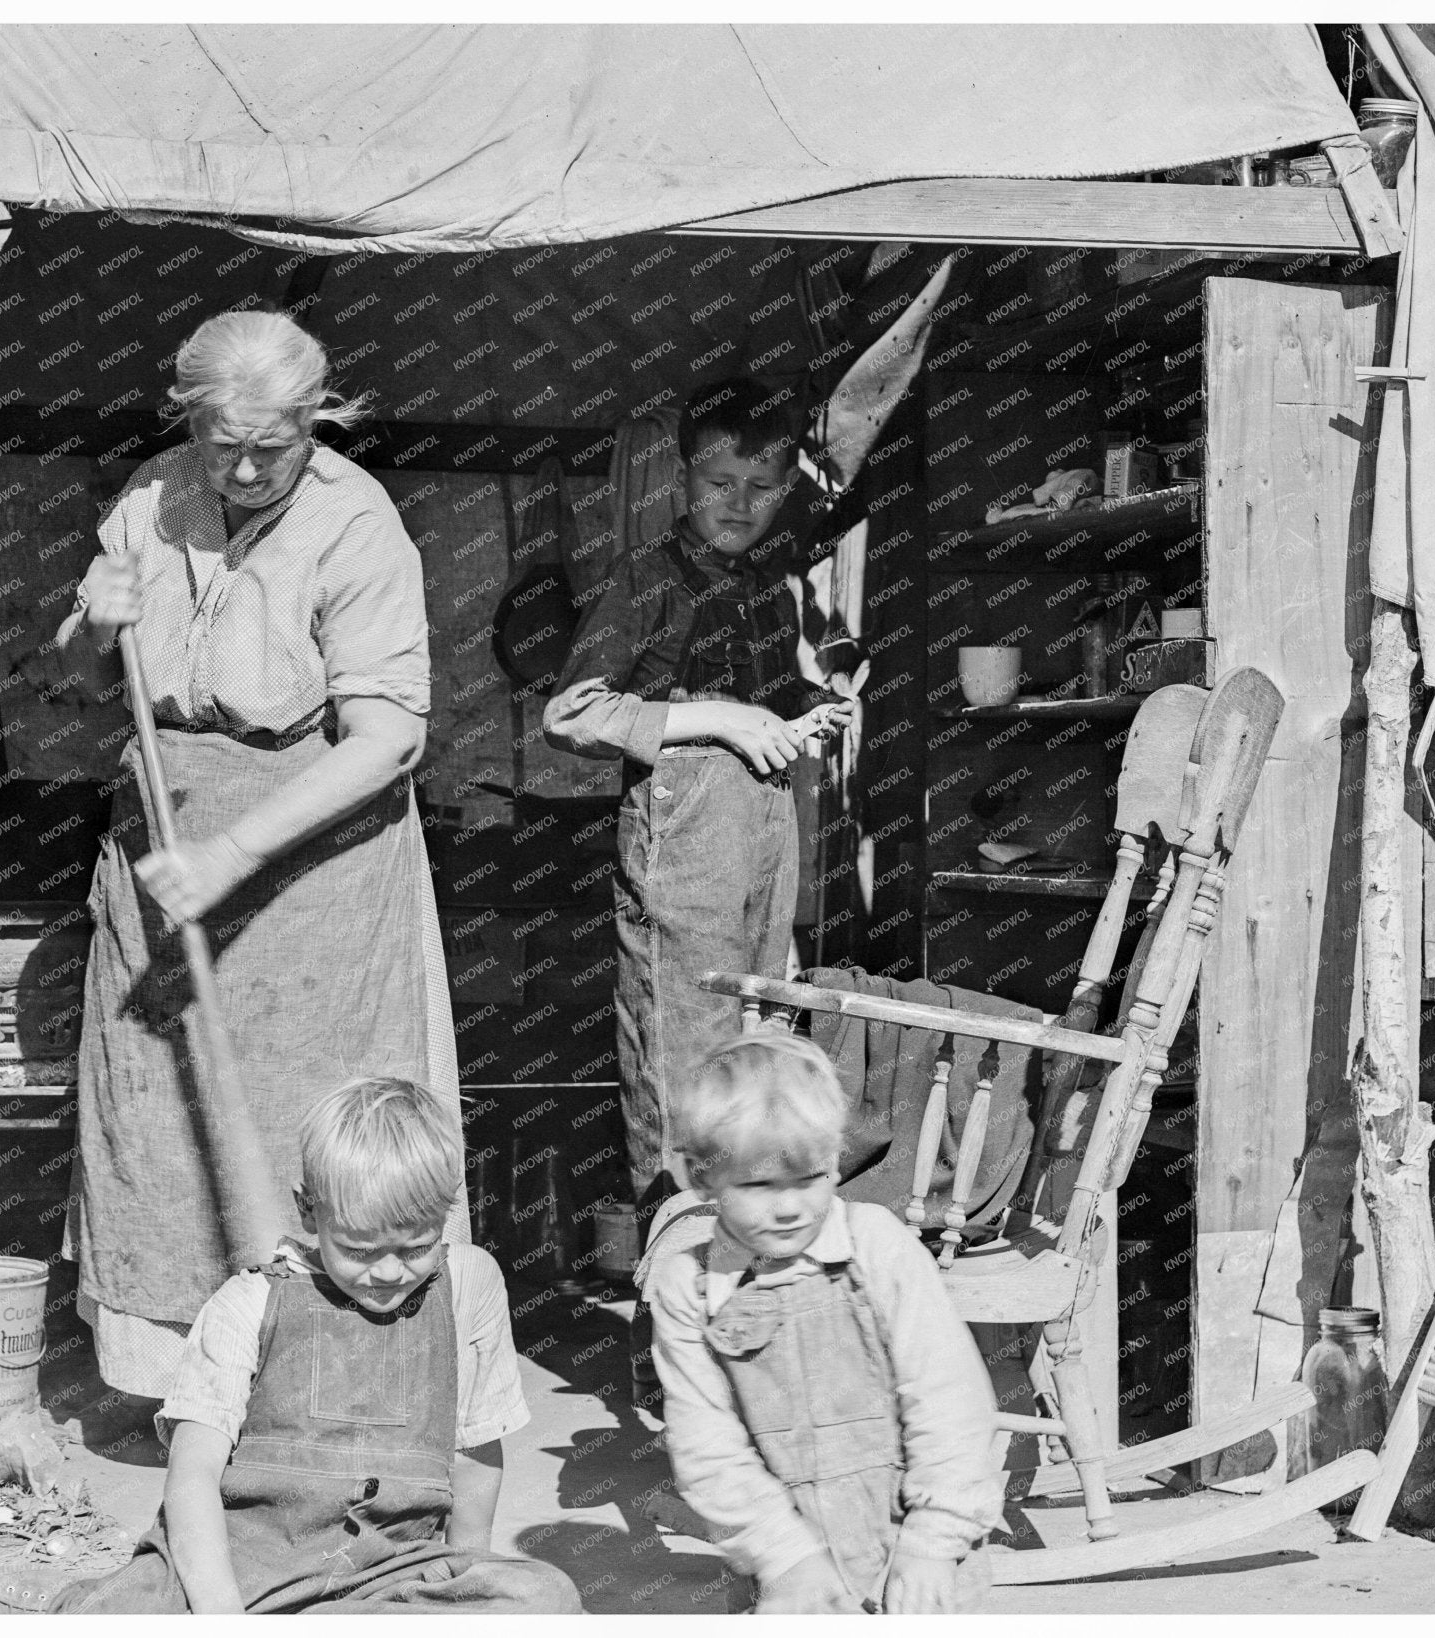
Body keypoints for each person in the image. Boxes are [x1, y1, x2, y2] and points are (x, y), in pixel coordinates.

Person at [55, 309, 466, 1412]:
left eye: (269, 447)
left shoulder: (358, 524)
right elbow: (84, 671)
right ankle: (176, 1394)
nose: (239, 469)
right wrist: (93, 623)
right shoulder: (151, 494)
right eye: (217, 441)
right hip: (165, 843)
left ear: (315, 422)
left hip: (310, 871)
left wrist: (235, 850)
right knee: (158, 1114)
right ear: (186, 419)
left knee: (309, 1121)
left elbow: (388, 739)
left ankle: (319, 1379)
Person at [49, 1078, 583, 1614]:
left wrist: (465, 1582)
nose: (390, 1272)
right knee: (118, 1613)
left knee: (542, 1596)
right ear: (308, 1211)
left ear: (446, 1211)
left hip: (388, 1570)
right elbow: (193, 1476)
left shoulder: (469, 1284)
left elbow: (475, 1452)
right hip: (239, 1565)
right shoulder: (248, 1303)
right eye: (359, 1249)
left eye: (417, 1246)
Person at [542, 376, 857, 1210]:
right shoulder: (645, 578)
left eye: (762, 487)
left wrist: (810, 705)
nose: (739, 503)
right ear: (684, 477)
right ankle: (669, 1252)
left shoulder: (769, 588)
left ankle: (742, 1237)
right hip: (680, 847)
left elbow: (766, 700)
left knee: (755, 1040)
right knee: (679, 1050)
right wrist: (717, 716)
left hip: (762, 835)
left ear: (786, 488)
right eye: (720, 483)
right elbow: (573, 713)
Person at [646, 1034, 1001, 1614]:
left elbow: (949, 1399)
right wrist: (784, 1555)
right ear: (700, 1177)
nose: (788, 1208)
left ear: (835, 1159)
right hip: (790, 1566)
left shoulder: (877, 1246)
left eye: (809, 1178)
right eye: (758, 1185)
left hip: (915, 1554)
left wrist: (936, 1537)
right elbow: (705, 1442)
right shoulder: (689, 1285)